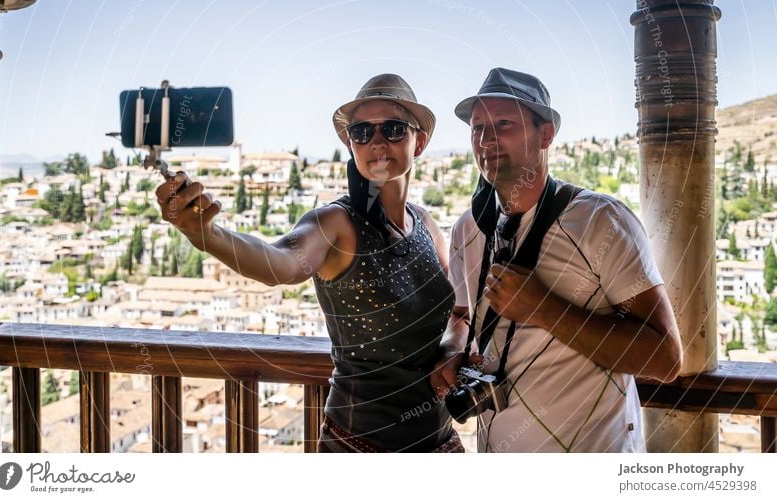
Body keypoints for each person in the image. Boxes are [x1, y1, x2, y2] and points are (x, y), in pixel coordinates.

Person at [156, 73, 461, 452]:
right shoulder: (336, 224)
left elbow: (458, 311)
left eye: (394, 129)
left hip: (440, 442)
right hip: (359, 448)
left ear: (420, 142)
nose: (377, 141)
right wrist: (206, 235)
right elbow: (280, 263)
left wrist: (453, 349)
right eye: (362, 132)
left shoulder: (426, 226)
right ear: (350, 144)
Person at [432, 68, 683, 452]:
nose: (486, 140)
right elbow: (462, 316)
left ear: (546, 134)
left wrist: (546, 309)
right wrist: (451, 349)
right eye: (477, 128)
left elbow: (665, 357)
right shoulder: (468, 228)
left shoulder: (601, 221)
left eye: (503, 124)